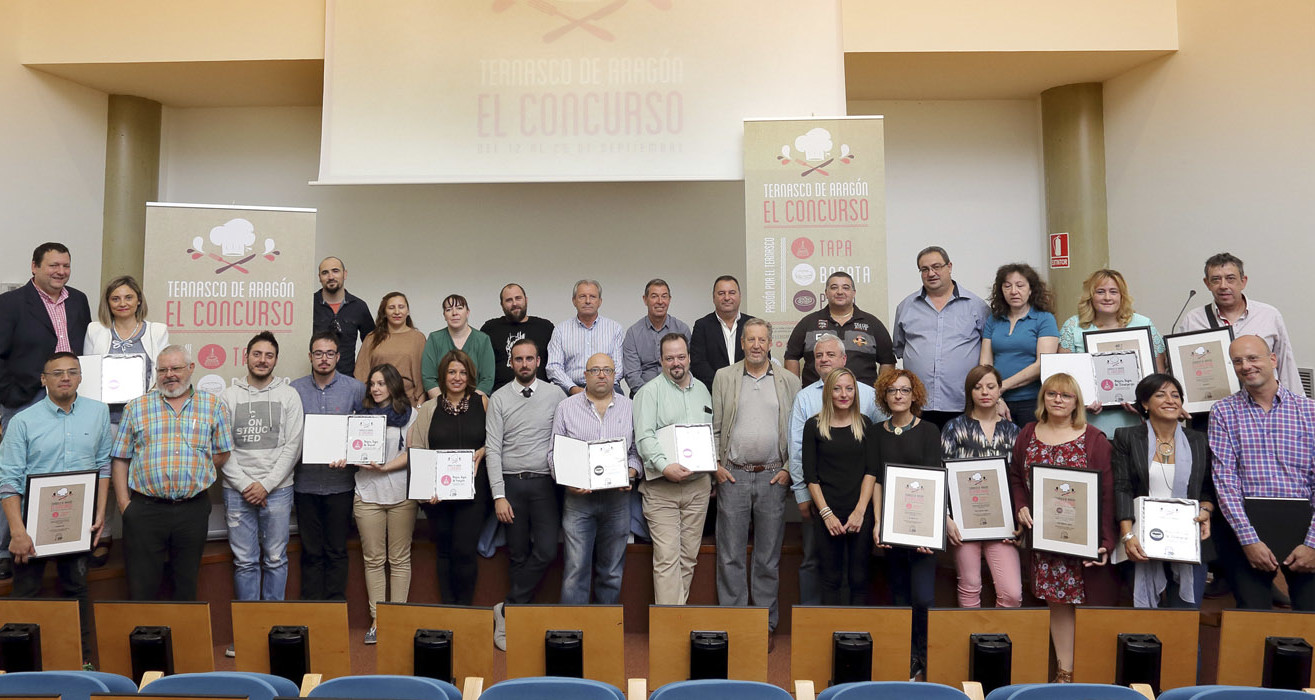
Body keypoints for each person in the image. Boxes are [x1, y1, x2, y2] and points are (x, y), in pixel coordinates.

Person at [0, 352, 111, 661]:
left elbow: (103, 466)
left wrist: (100, 513)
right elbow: (7, 480)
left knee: (77, 592)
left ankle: (84, 664)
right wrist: (18, 532)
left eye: (72, 372)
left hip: (78, 525)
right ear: (43, 379)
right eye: (57, 372)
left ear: (80, 377)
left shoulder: (98, 413)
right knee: (26, 597)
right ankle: (18, 669)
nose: (65, 377)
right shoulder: (22, 421)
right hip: (30, 528)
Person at [1008, 372, 1116, 683]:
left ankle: (1093, 676)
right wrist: (1021, 507)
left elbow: (1107, 494)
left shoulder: (1093, 439)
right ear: (1043, 398)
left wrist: (1106, 542)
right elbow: (1017, 477)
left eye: (1065, 396)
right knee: (1058, 606)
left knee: (1088, 605)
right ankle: (1064, 673)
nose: (1058, 399)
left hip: (1085, 541)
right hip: (1047, 542)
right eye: (1052, 394)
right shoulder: (1028, 433)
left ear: (1076, 402)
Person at [112, 345, 233, 601]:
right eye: (163, 369)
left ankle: (182, 641)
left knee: (186, 586)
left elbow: (222, 453)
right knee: (142, 588)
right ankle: (144, 639)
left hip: (192, 510)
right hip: (145, 510)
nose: (169, 374)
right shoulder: (136, 407)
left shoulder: (212, 406)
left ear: (190, 369)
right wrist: (125, 505)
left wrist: (197, 471)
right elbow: (121, 459)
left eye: (176, 368)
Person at [1209, 335, 1315, 611]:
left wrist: (1313, 544)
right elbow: (1226, 482)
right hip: (1247, 531)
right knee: (1252, 623)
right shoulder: (1223, 412)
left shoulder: (1310, 412)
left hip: (1305, 532)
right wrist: (1249, 540)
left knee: (1311, 619)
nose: (1246, 366)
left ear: (1272, 359)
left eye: (1253, 358)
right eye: (1238, 361)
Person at [711, 318, 801, 638]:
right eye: (751, 339)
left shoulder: (789, 380)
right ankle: (734, 624)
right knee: (731, 554)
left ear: (770, 343)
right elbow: (716, 426)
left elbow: (797, 430)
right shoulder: (725, 377)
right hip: (733, 475)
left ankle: (763, 625)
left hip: (772, 477)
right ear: (742, 343)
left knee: (767, 557)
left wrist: (790, 467)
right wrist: (716, 466)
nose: (757, 345)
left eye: (762, 340)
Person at [219, 332, 303, 656]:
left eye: (269, 355)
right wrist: (245, 485)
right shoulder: (228, 396)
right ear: (247, 357)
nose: (262, 360)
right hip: (236, 491)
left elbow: (292, 446)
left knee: (275, 558)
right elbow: (223, 448)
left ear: (275, 360)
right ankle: (247, 633)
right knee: (244, 562)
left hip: (278, 490)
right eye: (257, 354)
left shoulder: (289, 396)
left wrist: (266, 485)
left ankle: (273, 631)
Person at [789, 333, 884, 605]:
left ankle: (856, 640)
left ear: (856, 392)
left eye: (849, 389)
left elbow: (871, 470)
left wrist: (859, 512)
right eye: (837, 389)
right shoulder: (813, 425)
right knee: (829, 577)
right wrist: (826, 513)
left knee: (859, 577)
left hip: (859, 513)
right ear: (828, 391)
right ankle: (828, 638)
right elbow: (810, 473)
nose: (843, 394)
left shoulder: (866, 423)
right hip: (826, 512)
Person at [83, 274, 169, 567]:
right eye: (115, 298)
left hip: (142, 417)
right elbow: (89, 373)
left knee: (140, 476)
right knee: (103, 477)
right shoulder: (96, 330)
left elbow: (161, 374)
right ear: (108, 303)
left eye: (128, 297)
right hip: (104, 417)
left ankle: (139, 533)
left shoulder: (157, 331)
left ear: (139, 300)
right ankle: (102, 533)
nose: (122, 303)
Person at [486, 338, 566, 650]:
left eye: (529, 359)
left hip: (545, 483)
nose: (524, 364)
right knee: (517, 554)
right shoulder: (499, 397)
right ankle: (515, 622)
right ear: (510, 362)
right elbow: (492, 449)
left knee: (546, 550)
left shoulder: (555, 394)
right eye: (518, 359)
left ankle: (506, 607)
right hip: (511, 484)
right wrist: (498, 495)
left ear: (538, 361)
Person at [1113, 373, 1215, 608]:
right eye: (1161, 395)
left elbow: (1208, 491)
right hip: (1140, 543)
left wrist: (1206, 511)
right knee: (1146, 625)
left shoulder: (1199, 440)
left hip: (1190, 542)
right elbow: (1122, 487)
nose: (1170, 400)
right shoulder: (1126, 437)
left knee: (1185, 623)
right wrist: (1128, 536)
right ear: (1145, 404)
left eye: (1175, 395)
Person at [551, 352, 641, 605]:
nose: (602, 375)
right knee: (575, 570)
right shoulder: (566, 408)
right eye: (595, 370)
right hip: (579, 500)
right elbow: (554, 454)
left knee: (612, 571)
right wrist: (567, 480)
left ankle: (605, 633)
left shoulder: (630, 407)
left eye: (608, 370)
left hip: (617, 501)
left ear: (615, 375)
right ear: (585, 375)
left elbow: (636, 452)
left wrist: (631, 473)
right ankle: (572, 635)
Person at [871, 368, 943, 680]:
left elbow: (934, 482)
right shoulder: (876, 432)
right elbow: (876, 482)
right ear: (884, 397)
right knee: (899, 597)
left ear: (914, 395)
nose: (898, 395)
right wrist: (878, 523)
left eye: (904, 390)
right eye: (892, 391)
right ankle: (906, 659)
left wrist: (929, 528)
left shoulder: (928, 431)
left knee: (923, 598)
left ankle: (925, 658)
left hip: (923, 529)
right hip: (892, 528)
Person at [634, 333, 713, 605]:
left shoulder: (703, 390)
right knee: (667, 558)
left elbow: (710, 433)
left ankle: (673, 620)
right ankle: (671, 626)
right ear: (661, 360)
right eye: (669, 358)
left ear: (689, 358)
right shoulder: (648, 393)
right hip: (661, 490)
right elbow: (644, 437)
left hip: (698, 489)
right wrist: (665, 466)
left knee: (688, 557)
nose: (676, 363)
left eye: (681, 357)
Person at [411, 349, 490, 606]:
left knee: (465, 551)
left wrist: (485, 449)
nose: (457, 377)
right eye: (452, 372)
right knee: (444, 552)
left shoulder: (482, 402)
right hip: (438, 496)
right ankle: (448, 610)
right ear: (443, 376)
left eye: (462, 372)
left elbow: (496, 441)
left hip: (474, 494)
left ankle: (465, 611)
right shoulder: (429, 408)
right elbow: (419, 449)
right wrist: (425, 491)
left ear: (470, 376)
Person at [291, 331, 366, 601]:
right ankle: (312, 610)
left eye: (330, 353)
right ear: (310, 356)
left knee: (337, 550)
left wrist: (352, 452)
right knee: (310, 552)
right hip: (305, 484)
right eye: (319, 353)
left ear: (339, 356)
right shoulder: (294, 390)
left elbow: (365, 432)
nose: (324, 359)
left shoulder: (356, 389)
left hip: (341, 485)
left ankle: (335, 608)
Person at [941, 365, 1023, 609]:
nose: (984, 392)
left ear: (1000, 390)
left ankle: (998, 643)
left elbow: (1020, 478)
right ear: (969, 392)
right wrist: (946, 518)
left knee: (1011, 594)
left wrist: (1019, 516)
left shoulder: (1014, 431)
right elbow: (941, 474)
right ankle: (974, 644)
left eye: (990, 386)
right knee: (970, 584)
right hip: (963, 523)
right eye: (977, 387)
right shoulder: (954, 428)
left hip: (1003, 523)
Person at [352, 363, 419, 644]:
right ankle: (378, 621)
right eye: (372, 384)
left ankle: (397, 620)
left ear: (393, 385)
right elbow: (352, 450)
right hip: (367, 494)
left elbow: (413, 451)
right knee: (374, 560)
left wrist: (386, 467)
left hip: (402, 494)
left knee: (400, 559)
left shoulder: (411, 414)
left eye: (381, 383)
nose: (376, 389)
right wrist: (352, 458)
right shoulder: (359, 416)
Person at [1057, 269, 1166, 438]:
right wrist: (1080, 401)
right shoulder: (1073, 326)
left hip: (1136, 420)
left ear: (1122, 296)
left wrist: (1143, 401)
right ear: (1090, 296)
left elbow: (1159, 373)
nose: (1107, 297)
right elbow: (1062, 377)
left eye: (1113, 292)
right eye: (1100, 292)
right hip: (1087, 421)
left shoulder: (1143, 324)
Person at [891, 246, 990, 428]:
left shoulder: (977, 307)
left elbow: (989, 350)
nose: (931, 273)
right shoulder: (906, 307)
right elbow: (900, 348)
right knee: (920, 456)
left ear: (949, 266)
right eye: (925, 269)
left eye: (937, 266)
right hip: (918, 405)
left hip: (963, 403)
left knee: (961, 456)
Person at [1176, 253, 1301, 391]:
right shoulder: (1193, 320)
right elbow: (1184, 369)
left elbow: (1286, 364)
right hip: (1213, 403)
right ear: (1207, 284)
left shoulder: (1269, 315)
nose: (1223, 286)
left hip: (1264, 404)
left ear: (1243, 281)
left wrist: (1296, 404)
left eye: (1230, 279)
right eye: (1216, 280)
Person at [980, 264, 1059, 427]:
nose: (1013, 291)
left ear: (1031, 289)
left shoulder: (1044, 319)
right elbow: (985, 365)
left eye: (1020, 285)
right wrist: (997, 397)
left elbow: (1042, 364)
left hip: (1032, 401)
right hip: (997, 402)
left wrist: (1001, 387)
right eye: (1007, 286)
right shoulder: (993, 320)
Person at [785, 271, 895, 387]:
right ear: (826, 293)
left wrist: (880, 392)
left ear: (854, 293)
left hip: (862, 399)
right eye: (834, 288)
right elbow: (791, 357)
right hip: (817, 397)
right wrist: (794, 390)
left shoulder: (872, 323)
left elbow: (887, 361)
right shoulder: (808, 323)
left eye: (846, 288)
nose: (840, 292)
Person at [547, 280, 624, 396]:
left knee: (619, 396)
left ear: (600, 302)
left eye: (592, 297)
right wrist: (572, 388)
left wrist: (602, 387)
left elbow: (618, 366)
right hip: (571, 388)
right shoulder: (560, 330)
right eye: (582, 297)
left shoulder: (614, 329)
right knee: (555, 397)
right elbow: (553, 366)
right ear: (574, 301)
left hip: (606, 387)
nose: (587, 301)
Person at [354, 292, 426, 406]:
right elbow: (361, 375)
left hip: (408, 403)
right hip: (376, 403)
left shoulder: (418, 338)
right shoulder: (372, 338)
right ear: (384, 312)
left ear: (407, 311)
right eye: (391, 307)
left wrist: (419, 407)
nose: (397, 312)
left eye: (401, 307)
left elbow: (422, 378)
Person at [480, 283, 554, 393]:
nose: (514, 303)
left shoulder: (545, 328)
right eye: (509, 300)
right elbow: (481, 367)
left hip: (539, 396)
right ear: (502, 304)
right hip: (500, 397)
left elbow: (555, 365)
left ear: (526, 300)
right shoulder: (490, 329)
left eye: (518, 298)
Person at [622, 278, 691, 396]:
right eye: (654, 296)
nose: (660, 301)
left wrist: (675, 392)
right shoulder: (633, 333)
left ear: (669, 299)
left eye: (664, 296)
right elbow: (632, 374)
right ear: (645, 299)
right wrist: (649, 396)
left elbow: (687, 367)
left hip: (677, 393)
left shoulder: (682, 329)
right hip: (643, 394)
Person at [422, 294, 496, 397]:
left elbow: (487, 379)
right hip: (440, 403)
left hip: (475, 403)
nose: (454, 313)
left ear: (467, 312)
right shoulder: (434, 339)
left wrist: (470, 405)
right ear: (444, 315)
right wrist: (444, 403)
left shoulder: (483, 340)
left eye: (459, 308)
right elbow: (428, 378)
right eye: (448, 309)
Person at [312, 256, 374, 377]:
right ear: (319, 277)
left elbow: (373, 345)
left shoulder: (359, 307)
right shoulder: (309, 304)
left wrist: (364, 375)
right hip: (315, 381)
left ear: (345, 274)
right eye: (325, 273)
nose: (330, 277)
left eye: (335, 271)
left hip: (349, 381)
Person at [690, 275, 751, 391]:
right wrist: (721, 385)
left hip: (748, 391)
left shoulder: (752, 325)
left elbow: (762, 359)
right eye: (721, 293)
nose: (727, 297)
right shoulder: (702, 326)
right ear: (713, 298)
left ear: (740, 296)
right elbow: (698, 364)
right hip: (714, 392)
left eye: (732, 293)